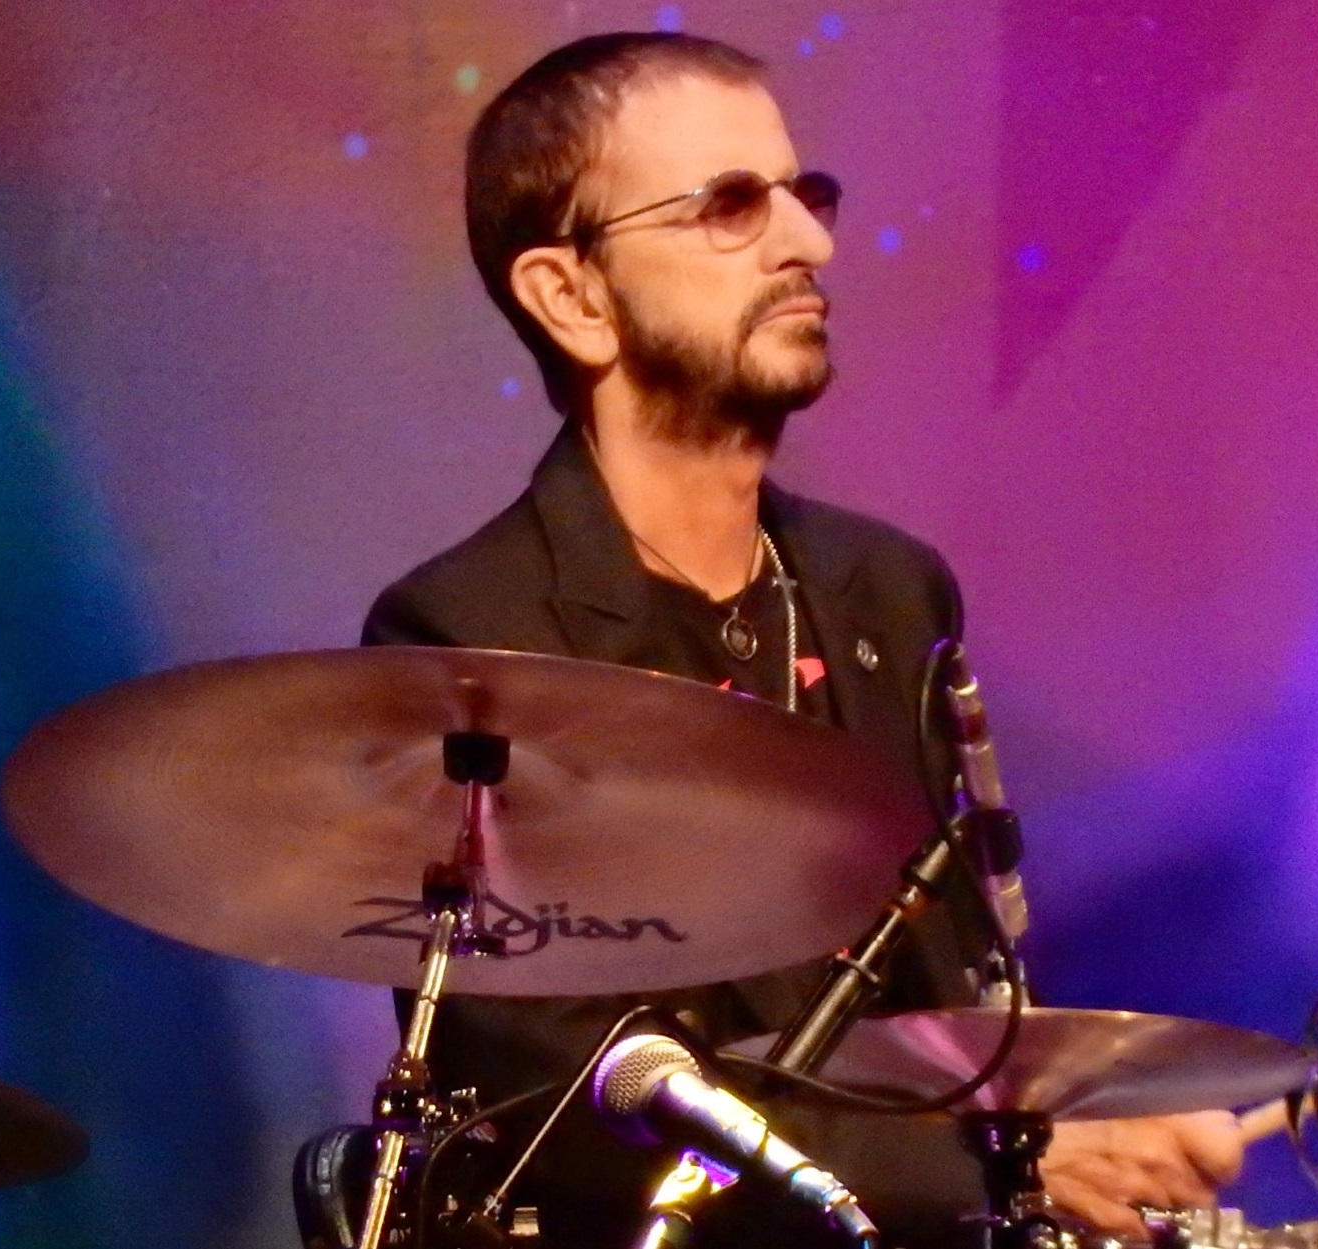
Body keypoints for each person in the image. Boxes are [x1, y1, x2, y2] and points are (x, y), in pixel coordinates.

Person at [361, 30, 1243, 1247]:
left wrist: (1098, 1121)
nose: (809, 244)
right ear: (571, 296)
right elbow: (561, 1093)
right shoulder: (473, 634)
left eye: (803, 194)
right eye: (730, 206)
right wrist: (986, 1169)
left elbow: (950, 1025)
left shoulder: (888, 591)